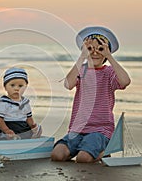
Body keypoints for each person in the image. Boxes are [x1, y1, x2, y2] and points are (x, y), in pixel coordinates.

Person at [51, 26, 131, 163]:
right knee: (57, 155)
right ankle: (85, 149)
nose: (95, 53)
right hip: (77, 128)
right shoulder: (81, 71)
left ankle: (103, 151)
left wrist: (109, 56)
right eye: (90, 49)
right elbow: (68, 84)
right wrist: (82, 56)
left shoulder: (109, 72)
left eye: (100, 49)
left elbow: (125, 81)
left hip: (100, 129)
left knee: (83, 158)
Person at [0, 67, 42, 140]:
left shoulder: (25, 102)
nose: (16, 88)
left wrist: (32, 126)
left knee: (31, 131)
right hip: (9, 126)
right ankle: (11, 136)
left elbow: (28, 118)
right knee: (7, 136)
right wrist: (6, 130)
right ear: (5, 87)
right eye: (12, 85)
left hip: (23, 127)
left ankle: (32, 135)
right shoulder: (3, 102)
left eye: (20, 86)